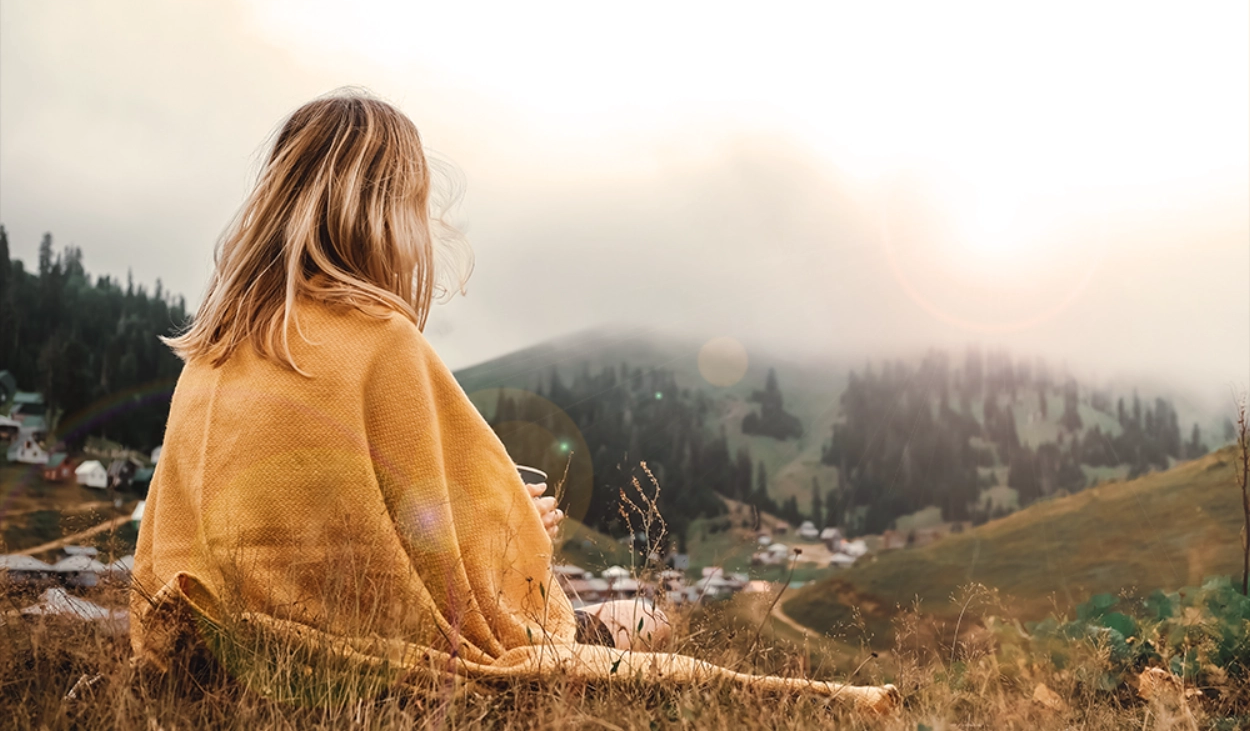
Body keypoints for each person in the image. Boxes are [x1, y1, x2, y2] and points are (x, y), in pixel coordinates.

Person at [129, 88, 897, 712]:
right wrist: (522, 530)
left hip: (214, 649)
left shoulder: (213, 354)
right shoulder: (380, 343)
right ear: (389, 211)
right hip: (365, 654)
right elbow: (424, 570)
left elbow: (298, 528)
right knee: (639, 621)